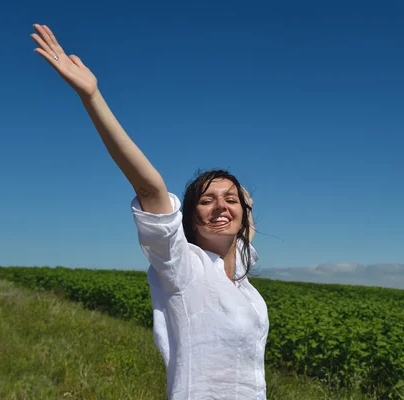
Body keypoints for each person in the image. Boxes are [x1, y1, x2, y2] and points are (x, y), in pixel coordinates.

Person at [31, 23, 269, 399]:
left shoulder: (238, 267)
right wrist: (92, 96)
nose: (222, 207)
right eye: (206, 201)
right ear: (189, 216)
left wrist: (243, 203)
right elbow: (150, 187)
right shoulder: (183, 267)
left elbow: (244, 228)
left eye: (231, 199)